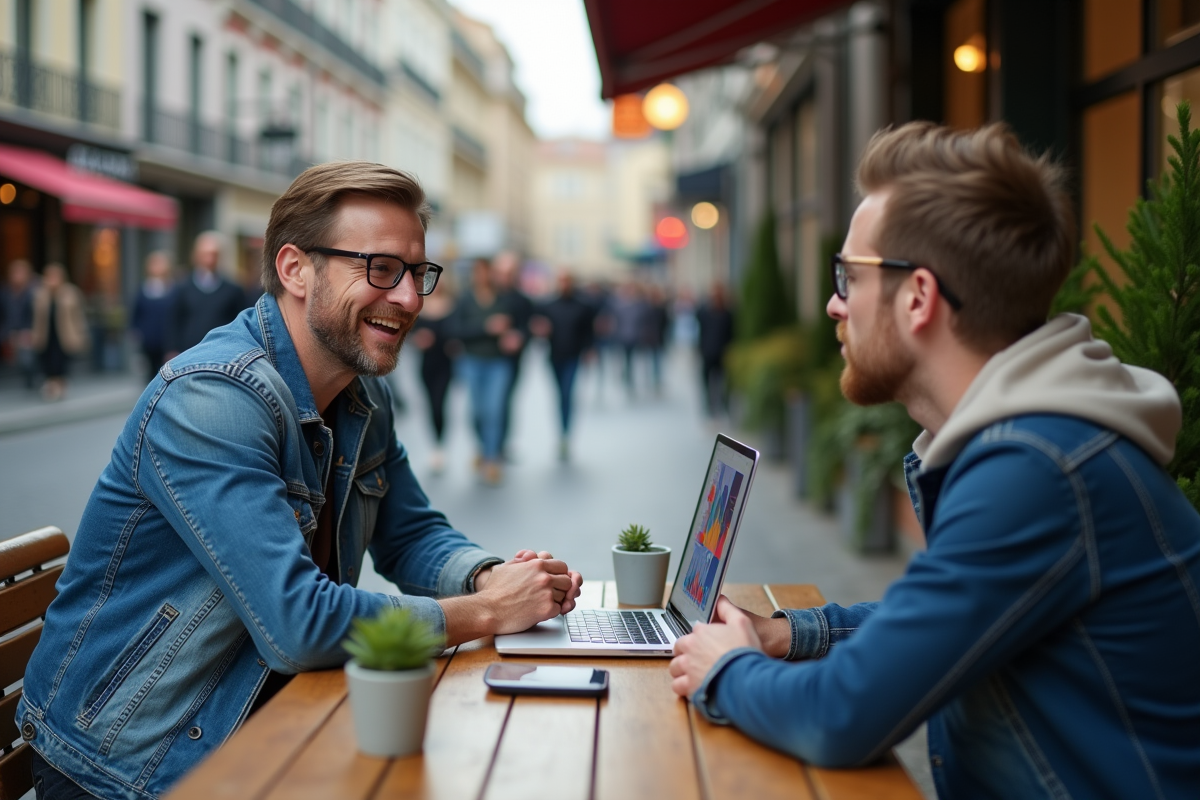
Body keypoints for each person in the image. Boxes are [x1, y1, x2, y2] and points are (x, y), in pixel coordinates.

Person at [16, 162, 583, 800]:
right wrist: (486, 611)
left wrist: (492, 578)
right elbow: (299, 623)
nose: (409, 298)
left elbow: (409, 534)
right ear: (294, 269)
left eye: (417, 273)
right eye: (380, 268)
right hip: (130, 765)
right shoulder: (212, 401)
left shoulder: (362, 392)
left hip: (272, 718)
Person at [668, 122, 1200, 798]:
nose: (834, 304)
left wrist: (728, 668)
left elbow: (843, 717)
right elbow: (934, 617)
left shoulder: (1036, 467)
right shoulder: (1031, 441)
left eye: (847, 276)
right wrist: (783, 635)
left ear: (918, 296)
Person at [451, 257, 523, 484]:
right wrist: (486, 328)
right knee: (476, 412)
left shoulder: (504, 299)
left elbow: (521, 326)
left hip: (498, 363)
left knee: (494, 410)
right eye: (478, 272)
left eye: (486, 271)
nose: (482, 276)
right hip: (471, 361)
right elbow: (455, 330)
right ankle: (482, 449)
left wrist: (514, 336)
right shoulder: (465, 299)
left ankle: (492, 458)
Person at [532, 271, 597, 461]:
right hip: (554, 356)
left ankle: (565, 434)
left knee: (567, 394)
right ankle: (561, 431)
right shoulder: (547, 305)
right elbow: (538, 326)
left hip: (573, 356)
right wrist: (540, 330)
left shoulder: (583, 306)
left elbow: (589, 332)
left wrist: (589, 349)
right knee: (559, 394)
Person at [165, 231, 249, 358]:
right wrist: (172, 349)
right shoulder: (182, 287)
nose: (210, 259)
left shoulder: (233, 289)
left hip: (222, 354)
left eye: (214, 254)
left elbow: (240, 322)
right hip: (188, 353)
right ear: (196, 255)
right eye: (206, 254)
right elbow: (174, 320)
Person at [410, 268, 459, 474]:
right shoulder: (421, 306)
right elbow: (410, 331)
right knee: (430, 405)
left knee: (440, 404)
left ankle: (440, 445)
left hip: (446, 363)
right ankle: (435, 445)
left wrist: (456, 344)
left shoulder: (453, 307)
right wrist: (418, 339)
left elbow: (459, 331)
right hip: (427, 364)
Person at [493, 252, 533, 459]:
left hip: (513, 360)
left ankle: (499, 444)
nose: (505, 277)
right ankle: (489, 444)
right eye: (501, 273)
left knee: (504, 402)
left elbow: (529, 327)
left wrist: (520, 337)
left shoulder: (522, 300)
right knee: (489, 405)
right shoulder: (490, 296)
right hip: (489, 357)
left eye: (509, 273)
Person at [30, 263, 89, 401]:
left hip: (65, 336)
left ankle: (59, 387)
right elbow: (35, 318)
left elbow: (78, 316)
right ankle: (51, 387)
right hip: (46, 336)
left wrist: (81, 334)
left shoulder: (70, 292)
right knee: (47, 363)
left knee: (60, 363)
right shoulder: (40, 294)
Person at [130, 250, 175, 383]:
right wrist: (135, 330)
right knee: (150, 373)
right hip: (149, 339)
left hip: (167, 338)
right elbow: (137, 312)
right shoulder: (144, 288)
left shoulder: (173, 288)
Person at [694, 283, 734, 417]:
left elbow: (731, 334)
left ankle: (723, 407)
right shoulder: (704, 312)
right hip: (707, 352)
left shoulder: (727, 314)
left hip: (722, 353)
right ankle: (709, 409)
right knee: (706, 383)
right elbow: (700, 329)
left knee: (722, 383)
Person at [4, 258, 37, 389]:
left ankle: (32, 381)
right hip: (10, 330)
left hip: (28, 332)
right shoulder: (5, 292)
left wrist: (30, 331)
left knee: (27, 359)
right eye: (14, 273)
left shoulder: (34, 290)